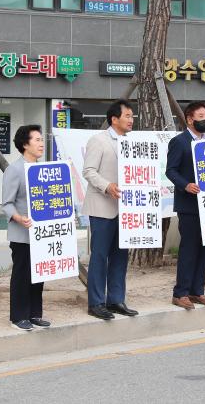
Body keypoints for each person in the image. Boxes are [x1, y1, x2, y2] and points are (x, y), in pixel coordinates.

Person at [82, 100, 139, 321]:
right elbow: (88, 171)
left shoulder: (132, 143)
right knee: (99, 256)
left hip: (126, 209)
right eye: (127, 116)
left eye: (132, 116)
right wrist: (107, 186)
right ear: (114, 119)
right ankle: (96, 303)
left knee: (120, 256)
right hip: (102, 207)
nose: (131, 120)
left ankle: (116, 300)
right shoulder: (99, 140)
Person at [167, 101, 205, 310]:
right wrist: (185, 185)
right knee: (188, 249)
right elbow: (171, 171)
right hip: (189, 206)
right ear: (189, 119)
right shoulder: (180, 141)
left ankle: (198, 291)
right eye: (201, 116)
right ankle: (181, 293)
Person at [2, 124, 50, 332]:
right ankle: (18, 316)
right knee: (22, 274)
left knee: (39, 274)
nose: (41, 144)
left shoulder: (44, 169)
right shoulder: (14, 169)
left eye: (41, 140)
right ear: (25, 144)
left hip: (41, 234)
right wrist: (19, 218)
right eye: (37, 140)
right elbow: (6, 203)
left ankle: (34, 314)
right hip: (22, 234)